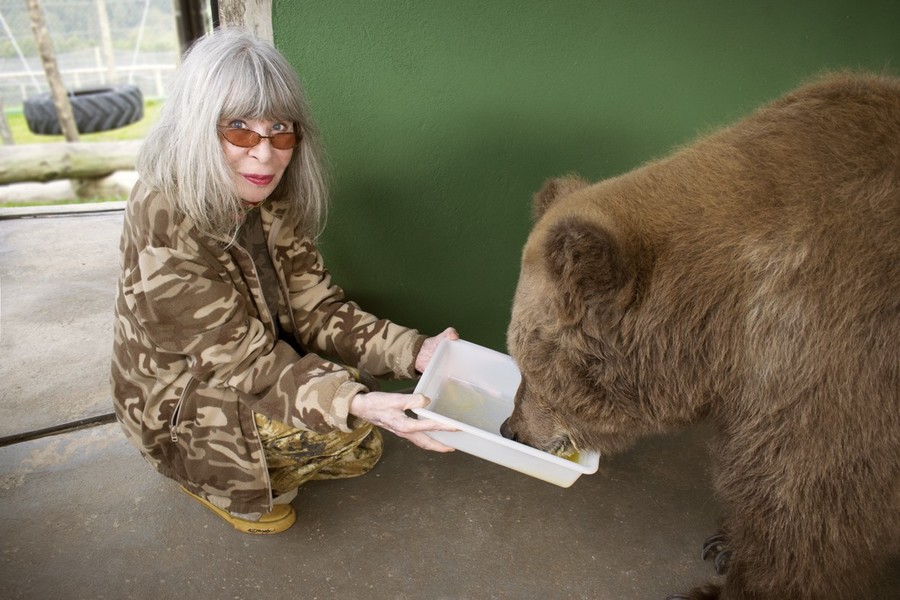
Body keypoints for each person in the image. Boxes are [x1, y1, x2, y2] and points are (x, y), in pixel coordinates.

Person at [111, 28, 459, 535]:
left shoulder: (270, 196)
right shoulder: (164, 218)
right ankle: (200, 475)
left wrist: (418, 352)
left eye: (280, 129)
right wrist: (354, 402)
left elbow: (318, 309)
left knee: (358, 436)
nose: (266, 154)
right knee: (351, 429)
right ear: (194, 127)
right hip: (178, 400)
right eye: (238, 128)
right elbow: (239, 360)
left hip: (246, 362)